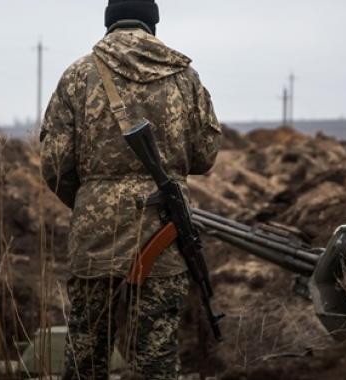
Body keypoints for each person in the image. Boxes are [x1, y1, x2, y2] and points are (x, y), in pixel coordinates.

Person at [40, 0, 222, 378]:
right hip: (164, 229)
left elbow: (55, 166)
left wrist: (93, 200)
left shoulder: (77, 75)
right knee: (156, 361)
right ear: (152, 23)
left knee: (86, 356)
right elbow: (205, 155)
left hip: (95, 237)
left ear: (109, 23)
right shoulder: (184, 76)